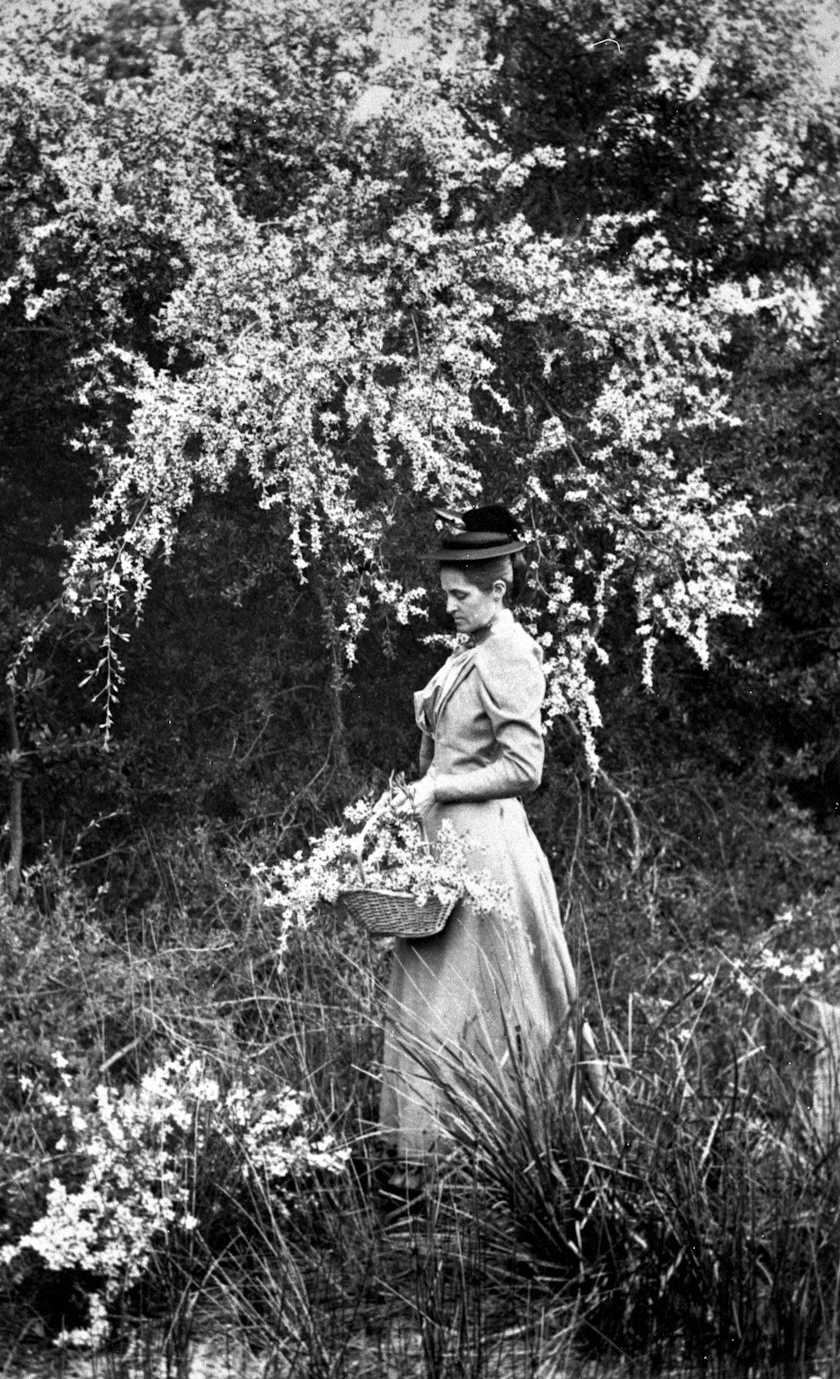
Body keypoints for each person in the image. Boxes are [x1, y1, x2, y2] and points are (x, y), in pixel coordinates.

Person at [378, 504, 593, 1182]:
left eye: (460, 595)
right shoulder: (472, 648)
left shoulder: (511, 651)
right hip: (450, 850)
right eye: (446, 593)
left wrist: (440, 788)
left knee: (472, 998)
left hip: (487, 857)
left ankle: (480, 1156)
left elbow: (525, 770)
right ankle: (423, 1156)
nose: (449, 606)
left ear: (498, 590)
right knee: (430, 991)